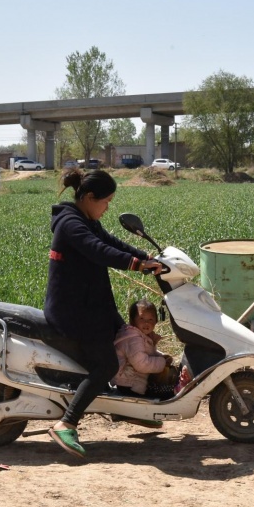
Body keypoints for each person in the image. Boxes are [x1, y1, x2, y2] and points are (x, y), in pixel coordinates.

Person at [44, 169, 162, 458]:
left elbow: (111, 242)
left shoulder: (86, 219)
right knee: (107, 364)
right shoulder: (70, 224)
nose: (108, 207)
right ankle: (66, 422)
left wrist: (145, 256)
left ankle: (124, 407)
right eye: (106, 201)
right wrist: (135, 264)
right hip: (73, 312)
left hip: (92, 306)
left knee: (127, 340)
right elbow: (98, 250)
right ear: (88, 197)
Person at [112, 299, 176, 399]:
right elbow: (142, 364)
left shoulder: (142, 336)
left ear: (156, 321)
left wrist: (161, 357)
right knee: (167, 395)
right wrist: (162, 362)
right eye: (142, 319)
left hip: (134, 381)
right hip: (129, 384)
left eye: (150, 319)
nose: (146, 323)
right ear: (133, 320)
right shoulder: (133, 339)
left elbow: (146, 353)